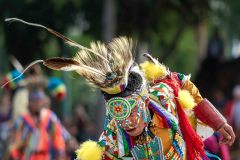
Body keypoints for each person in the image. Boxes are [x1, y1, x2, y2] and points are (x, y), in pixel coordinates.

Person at [4, 18, 235, 159]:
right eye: (117, 112)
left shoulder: (163, 96)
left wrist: (219, 122)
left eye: (132, 110)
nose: (128, 120)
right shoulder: (114, 137)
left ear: (144, 102)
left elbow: (183, 81)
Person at [8, 87, 66, 160]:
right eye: (34, 101)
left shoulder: (50, 116)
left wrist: (60, 152)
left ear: (42, 101)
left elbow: (58, 136)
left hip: (46, 156)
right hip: (27, 156)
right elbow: (16, 140)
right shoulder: (23, 119)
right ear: (29, 102)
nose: (37, 103)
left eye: (39, 100)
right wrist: (15, 154)